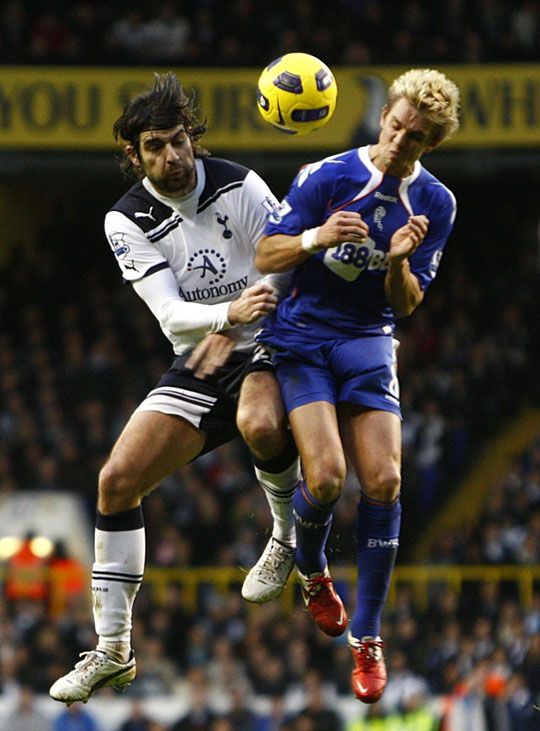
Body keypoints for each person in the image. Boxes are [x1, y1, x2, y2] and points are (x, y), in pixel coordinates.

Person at [49, 71, 299, 705]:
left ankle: (284, 541)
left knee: (262, 424)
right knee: (115, 481)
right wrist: (225, 317)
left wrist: (246, 316)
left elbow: (285, 269)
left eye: (179, 140)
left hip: (270, 342)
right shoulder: (125, 218)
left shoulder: (241, 186)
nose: (172, 156)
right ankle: (113, 651)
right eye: (156, 146)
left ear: (194, 140)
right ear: (135, 155)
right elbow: (168, 315)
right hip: (202, 356)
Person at [255, 68, 460, 704]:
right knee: (325, 479)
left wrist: (398, 260)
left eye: (416, 137)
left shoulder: (437, 204)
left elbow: (410, 303)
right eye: (396, 126)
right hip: (304, 336)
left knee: (386, 480)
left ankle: (367, 637)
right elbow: (267, 255)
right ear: (383, 118)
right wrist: (316, 237)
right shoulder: (327, 175)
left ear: (430, 145)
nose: (400, 142)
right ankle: (312, 569)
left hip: (369, 338)